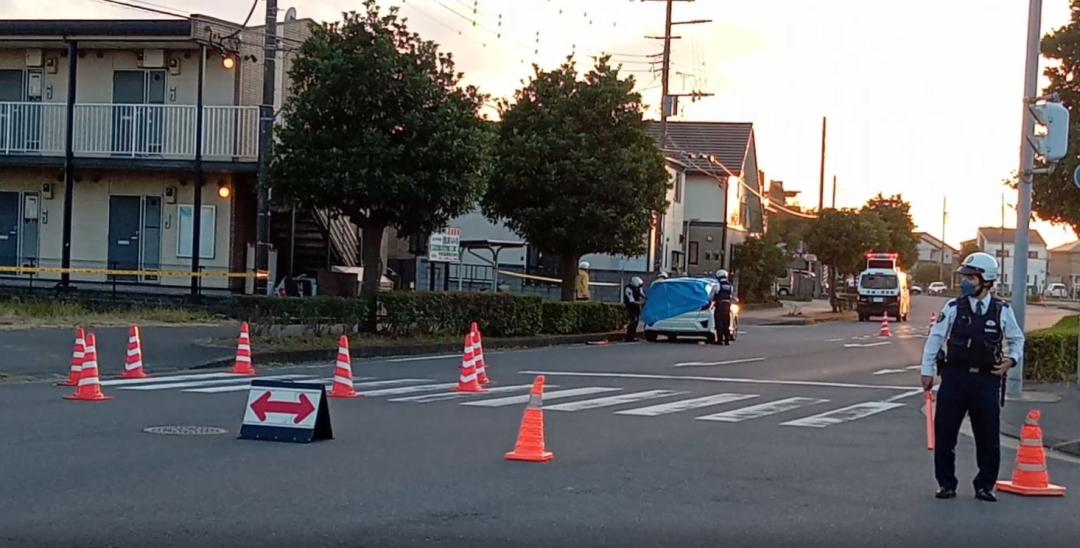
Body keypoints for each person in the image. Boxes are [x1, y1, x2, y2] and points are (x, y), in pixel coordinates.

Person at [920, 251, 1024, 502]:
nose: (965, 282)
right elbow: (936, 337)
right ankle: (946, 484)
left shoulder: (1002, 310)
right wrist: (927, 370)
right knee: (945, 433)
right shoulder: (953, 308)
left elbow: (1017, 339)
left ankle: (985, 485)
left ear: (986, 280)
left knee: (988, 435)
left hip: (986, 380)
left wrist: (1011, 360)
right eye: (965, 277)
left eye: (971, 277)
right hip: (955, 377)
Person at [712, 269, 734, 345]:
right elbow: (731, 295)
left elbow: (713, 294)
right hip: (727, 305)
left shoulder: (718, 284)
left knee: (719, 323)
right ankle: (727, 340)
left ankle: (720, 340)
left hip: (720, 305)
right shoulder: (729, 285)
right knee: (726, 322)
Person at [623, 276, 646, 342]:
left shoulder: (638, 287)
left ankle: (632, 336)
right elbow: (631, 301)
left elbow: (642, 294)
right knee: (632, 321)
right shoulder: (628, 289)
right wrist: (641, 303)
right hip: (630, 306)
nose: (639, 287)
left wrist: (647, 298)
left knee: (636, 322)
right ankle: (628, 337)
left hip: (636, 307)